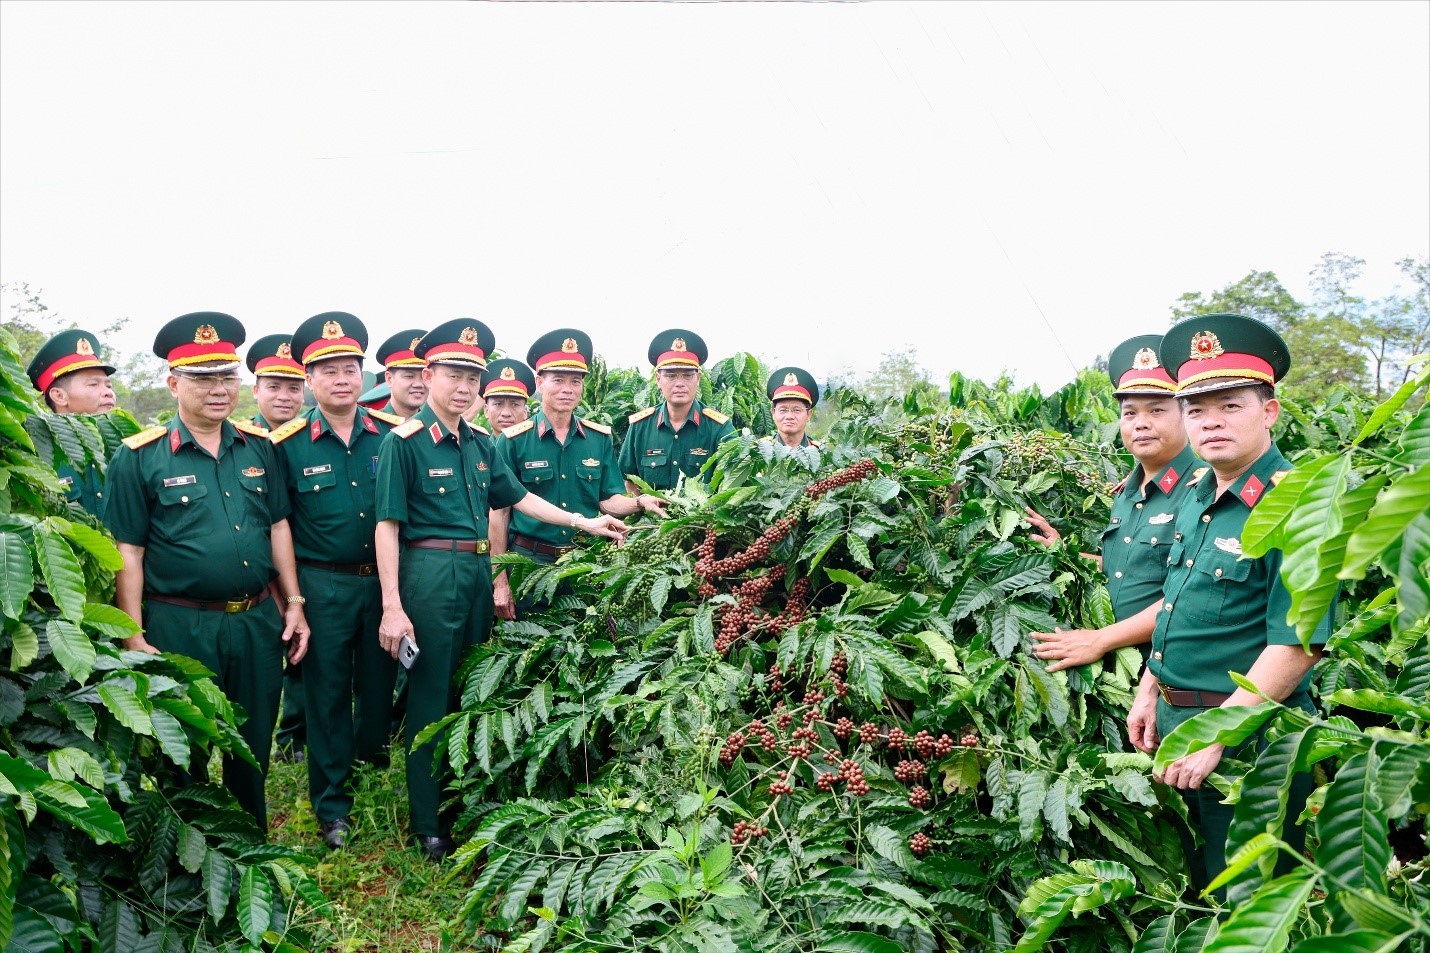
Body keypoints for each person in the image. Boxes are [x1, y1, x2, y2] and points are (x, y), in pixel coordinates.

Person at [373, 319, 629, 861]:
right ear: (428, 375)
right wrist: (392, 607)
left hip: (473, 575)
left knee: (468, 689)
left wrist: (583, 524)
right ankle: (427, 821)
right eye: (454, 374)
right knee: (429, 696)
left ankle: (454, 800)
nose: (464, 386)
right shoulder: (406, 444)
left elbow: (519, 500)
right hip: (429, 573)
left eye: (473, 375)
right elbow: (388, 526)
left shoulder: (481, 443)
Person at [1126, 313, 1328, 897]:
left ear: (1269, 411)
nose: (1210, 421)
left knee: (1245, 897)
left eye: (1230, 405)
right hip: (1176, 721)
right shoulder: (1198, 492)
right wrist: (1150, 688)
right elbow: (1178, 599)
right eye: (1196, 408)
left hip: (1246, 738)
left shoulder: (1298, 505)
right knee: (1194, 883)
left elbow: (1298, 643)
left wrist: (1217, 732)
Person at [104, 312, 310, 829]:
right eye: (202, 378)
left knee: (253, 736)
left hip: (256, 620)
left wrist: (294, 604)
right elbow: (127, 551)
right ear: (174, 383)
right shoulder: (140, 458)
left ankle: (248, 835)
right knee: (186, 739)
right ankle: (189, 844)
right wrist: (131, 634)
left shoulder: (260, 447)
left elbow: (279, 527)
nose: (218, 389)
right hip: (181, 622)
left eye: (227, 376)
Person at [267, 312, 404, 849]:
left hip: (384, 586)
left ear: (363, 373)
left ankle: (372, 770)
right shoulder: (285, 443)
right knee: (324, 695)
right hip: (322, 586)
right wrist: (292, 599)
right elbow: (278, 526)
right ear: (310, 379)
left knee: (377, 686)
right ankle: (331, 805)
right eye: (328, 370)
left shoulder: (394, 436)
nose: (342, 378)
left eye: (350, 367)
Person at [1027, 334, 1201, 670]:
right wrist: (1064, 551)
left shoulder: (1203, 490)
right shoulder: (1127, 492)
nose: (1141, 423)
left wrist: (1099, 639)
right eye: (1129, 412)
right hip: (1122, 664)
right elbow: (1127, 569)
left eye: (1157, 410)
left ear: (1187, 415)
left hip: (1168, 668)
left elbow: (1188, 596)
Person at [491, 331, 665, 619]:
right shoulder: (512, 441)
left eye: (575, 381)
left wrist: (639, 502)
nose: (567, 389)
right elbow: (498, 514)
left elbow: (607, 500)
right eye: (558, 380)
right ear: (539, 382)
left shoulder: (597, 439)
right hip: (529, 562)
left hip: (586, 562)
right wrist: (499, 581)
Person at [617, 329, 734, 491]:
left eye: (687, 375)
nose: (680, 383)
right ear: (658, 379)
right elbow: (629, 480)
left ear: (698, 378)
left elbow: (732, 480)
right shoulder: (640, 426)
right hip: (650, 516)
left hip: (704, 515)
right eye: (671, 376)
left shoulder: (720, 428)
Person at [26, 329, 117, 517]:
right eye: (93, 384)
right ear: (59, 396)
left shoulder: (127, 447)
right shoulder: (33, 452)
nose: (108, 392)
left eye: (108, 385)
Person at [245, 334, 305, 431]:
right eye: (273, 387)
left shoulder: (315, 440)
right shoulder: (239, 440)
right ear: (256, 391)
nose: (284, 397)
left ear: (303, 394)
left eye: (294, 389)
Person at [375, 329, 428, 419]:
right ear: (389, 379)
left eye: (424, 376)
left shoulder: (435, 428)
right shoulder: (371, 430)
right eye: (409, 376)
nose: (418, 384)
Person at [765, 366, 821, 449]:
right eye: (783, 410)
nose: (789, 416)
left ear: (809, 414)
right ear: (773, 413)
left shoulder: (821, 453)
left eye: (797, 410)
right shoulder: (759, 452)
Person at [480, 357, 534, 433]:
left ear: (525, 412)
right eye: (498, 404)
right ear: (486, 410)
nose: (506, 413)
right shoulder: (476, 444)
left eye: (514, 404)